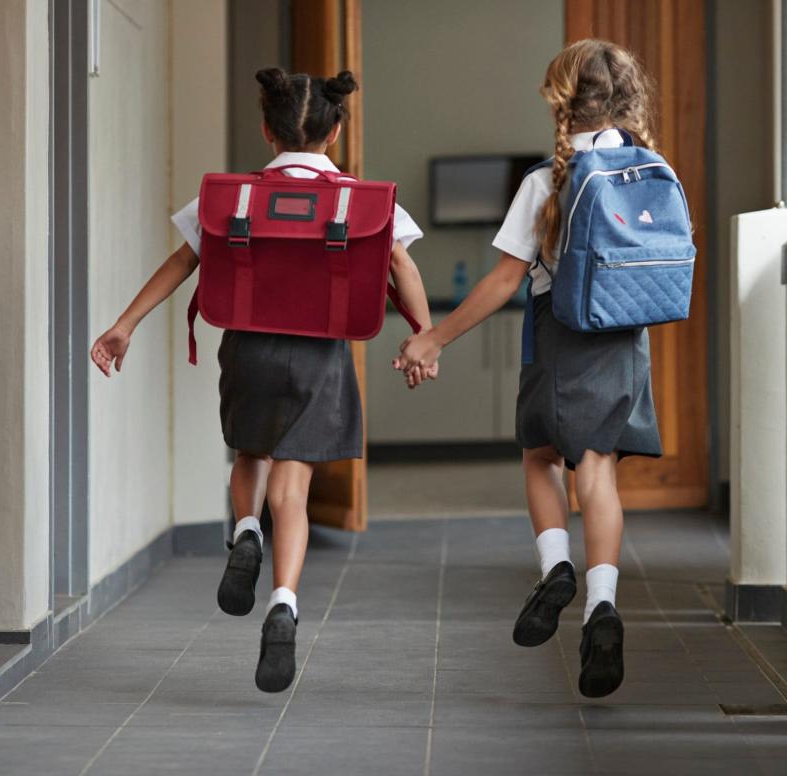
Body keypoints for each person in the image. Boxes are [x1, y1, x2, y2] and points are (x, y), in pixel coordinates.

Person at [90, 67, 434, 693]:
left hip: (247, 348)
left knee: (251, 451)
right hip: (319, 356)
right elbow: (401, 264)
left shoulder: (233, 198)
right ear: (334, 135)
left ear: (266, 131)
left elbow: (182, 262)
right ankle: (283, 602)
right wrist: (423, 336)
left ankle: (244, 532)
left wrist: (124, 324)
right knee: (293, 487)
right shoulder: (360, 200)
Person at [396, 39, 663, 698]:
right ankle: (602, 606)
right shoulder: (651, 169)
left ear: (560, 99)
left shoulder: (548, 179)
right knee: (595, 470)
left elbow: (503, 280)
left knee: (540, 456)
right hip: (625, 341)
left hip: (560, 336)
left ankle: (556, 569)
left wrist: (433, 338)